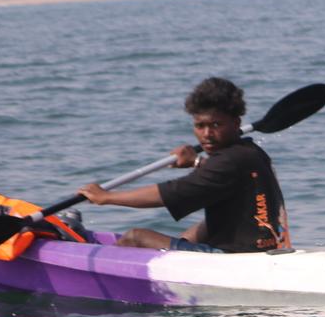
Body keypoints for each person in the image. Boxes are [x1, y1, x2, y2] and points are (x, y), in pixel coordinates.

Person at [77, 77, 288, 253]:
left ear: (236, 123)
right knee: (199, 229)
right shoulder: (251, 152)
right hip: (262, 247)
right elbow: (220, 177)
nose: (207, 134)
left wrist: (107, 197)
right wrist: (196, 161)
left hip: (233, 257)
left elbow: (173, 193)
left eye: (216, 125)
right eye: (200, 126)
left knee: (135, 237)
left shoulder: (228, 161)